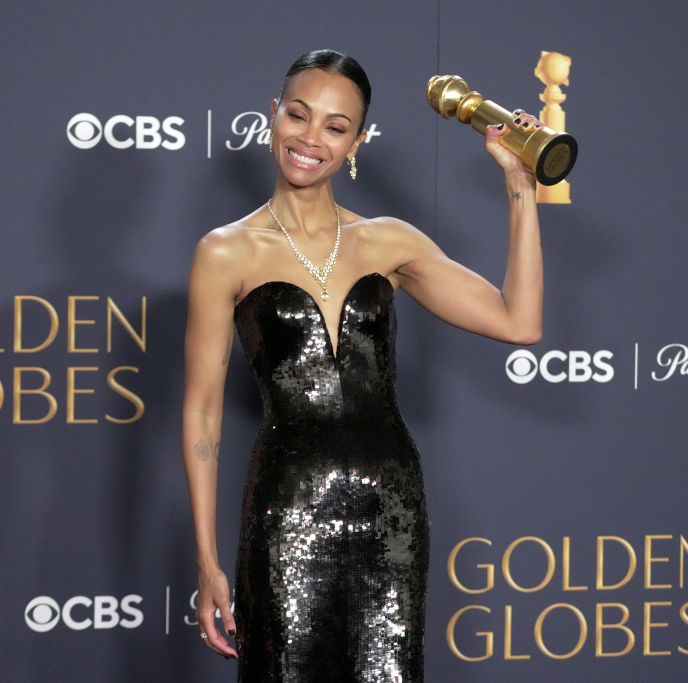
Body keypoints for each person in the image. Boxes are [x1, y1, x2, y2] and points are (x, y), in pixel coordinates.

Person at [183, 49, 544, 682]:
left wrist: (520, 186)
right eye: (299, 115)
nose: (310, 138)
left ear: (356, 142)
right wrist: (208, 562)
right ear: (274, 115)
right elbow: (204, 412)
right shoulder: (225, 252)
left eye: (335, 126)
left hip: (390, 513)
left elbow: (520, 322)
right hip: (286, 513)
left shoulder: (389, 241)